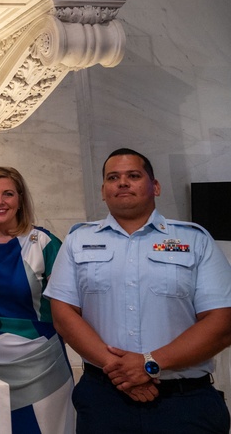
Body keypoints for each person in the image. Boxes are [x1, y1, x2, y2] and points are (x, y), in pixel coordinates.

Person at [46, 148, 231, 434]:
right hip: (105, 399)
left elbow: (221, 323)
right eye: (113, 177)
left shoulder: (195, 240)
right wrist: (120, 370)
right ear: (103, 190)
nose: (122, 183)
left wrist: (149, 363)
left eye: (133, 175)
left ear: (155, 186)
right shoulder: (77, 241)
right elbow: (64, 315)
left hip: (184, 402)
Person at [0, 166, 75, 434]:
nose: (0, 201)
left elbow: (69, 309)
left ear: (20, 199)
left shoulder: (44, 243)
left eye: (8, 194)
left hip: (43, 367)